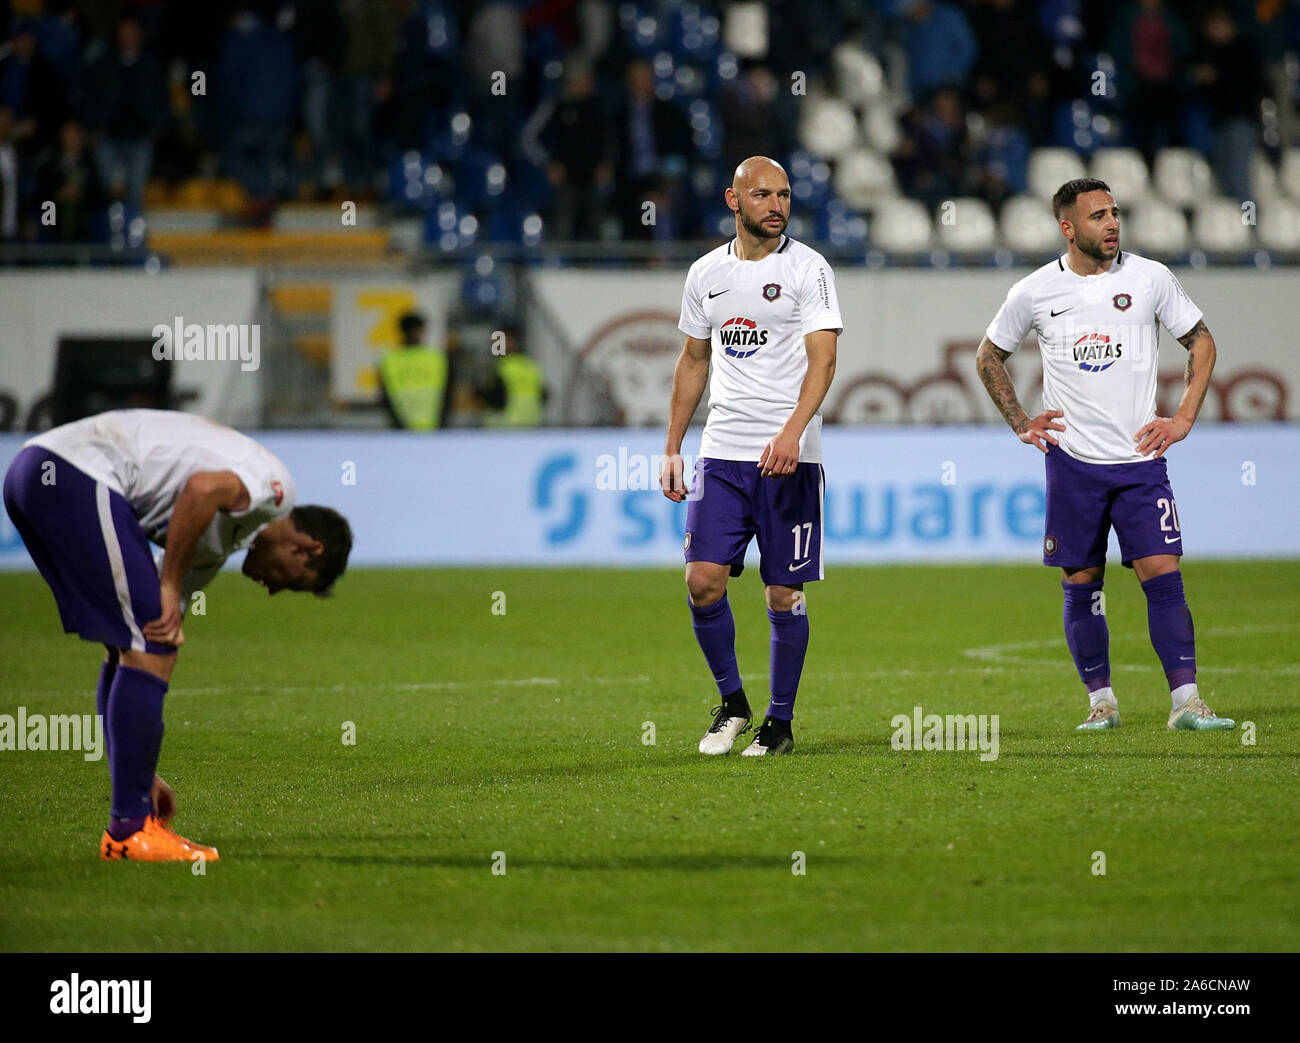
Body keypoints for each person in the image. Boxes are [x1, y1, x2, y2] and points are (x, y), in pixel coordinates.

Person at [2, 409, 353, 861]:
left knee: (138, 644)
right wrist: (168, 584)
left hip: (35, 474)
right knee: (153, 643)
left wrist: (138, 771)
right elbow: (201, 488)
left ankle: (133, 806)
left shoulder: (211, 545)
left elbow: (139, 648)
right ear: (308, 548)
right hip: (73, 473)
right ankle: (129, 831)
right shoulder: (276, 490)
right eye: (293, 580)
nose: (274, 588)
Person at [974, 177, 1233, 733]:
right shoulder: (1035, 291)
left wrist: (1184, 416)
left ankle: (1187, 702)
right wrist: (1021, 422)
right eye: (1097, 216)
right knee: (1081, 585)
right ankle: (1102, 703)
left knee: (1163, 575)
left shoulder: (1151, 278)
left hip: (1141, 464)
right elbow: (989, 357)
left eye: (1114, 212)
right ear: (1068, 228)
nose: (1112, 223)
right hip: (1072, 466)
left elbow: (1202, 341)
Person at [659, 156, 841, 757]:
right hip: (723, 454)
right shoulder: (705, 274)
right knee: (702, 582)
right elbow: (693, 361)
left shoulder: (808, 269)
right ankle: (732, 705)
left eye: (785, 195)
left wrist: (792, 433)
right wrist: (673, 448)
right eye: (764, 194)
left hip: (789, 457)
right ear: (735, 200)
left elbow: (823, 362)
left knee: (781, 594)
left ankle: (780, 722)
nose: (777, 205)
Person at [379, 310, 451, 430]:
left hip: (433, 428)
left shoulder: (437, 358)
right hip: (405, 429)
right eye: (414, 330)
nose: (416, 334)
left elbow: (448, 392)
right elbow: (385, 397)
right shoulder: (389, 360)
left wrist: (442, 423)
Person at [480, 325, 545, 428]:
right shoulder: (530, 366)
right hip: (531, 424)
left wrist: (479, 394)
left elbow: (497, 400)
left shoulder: (503, 366)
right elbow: (544, 394)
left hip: (506, 425)